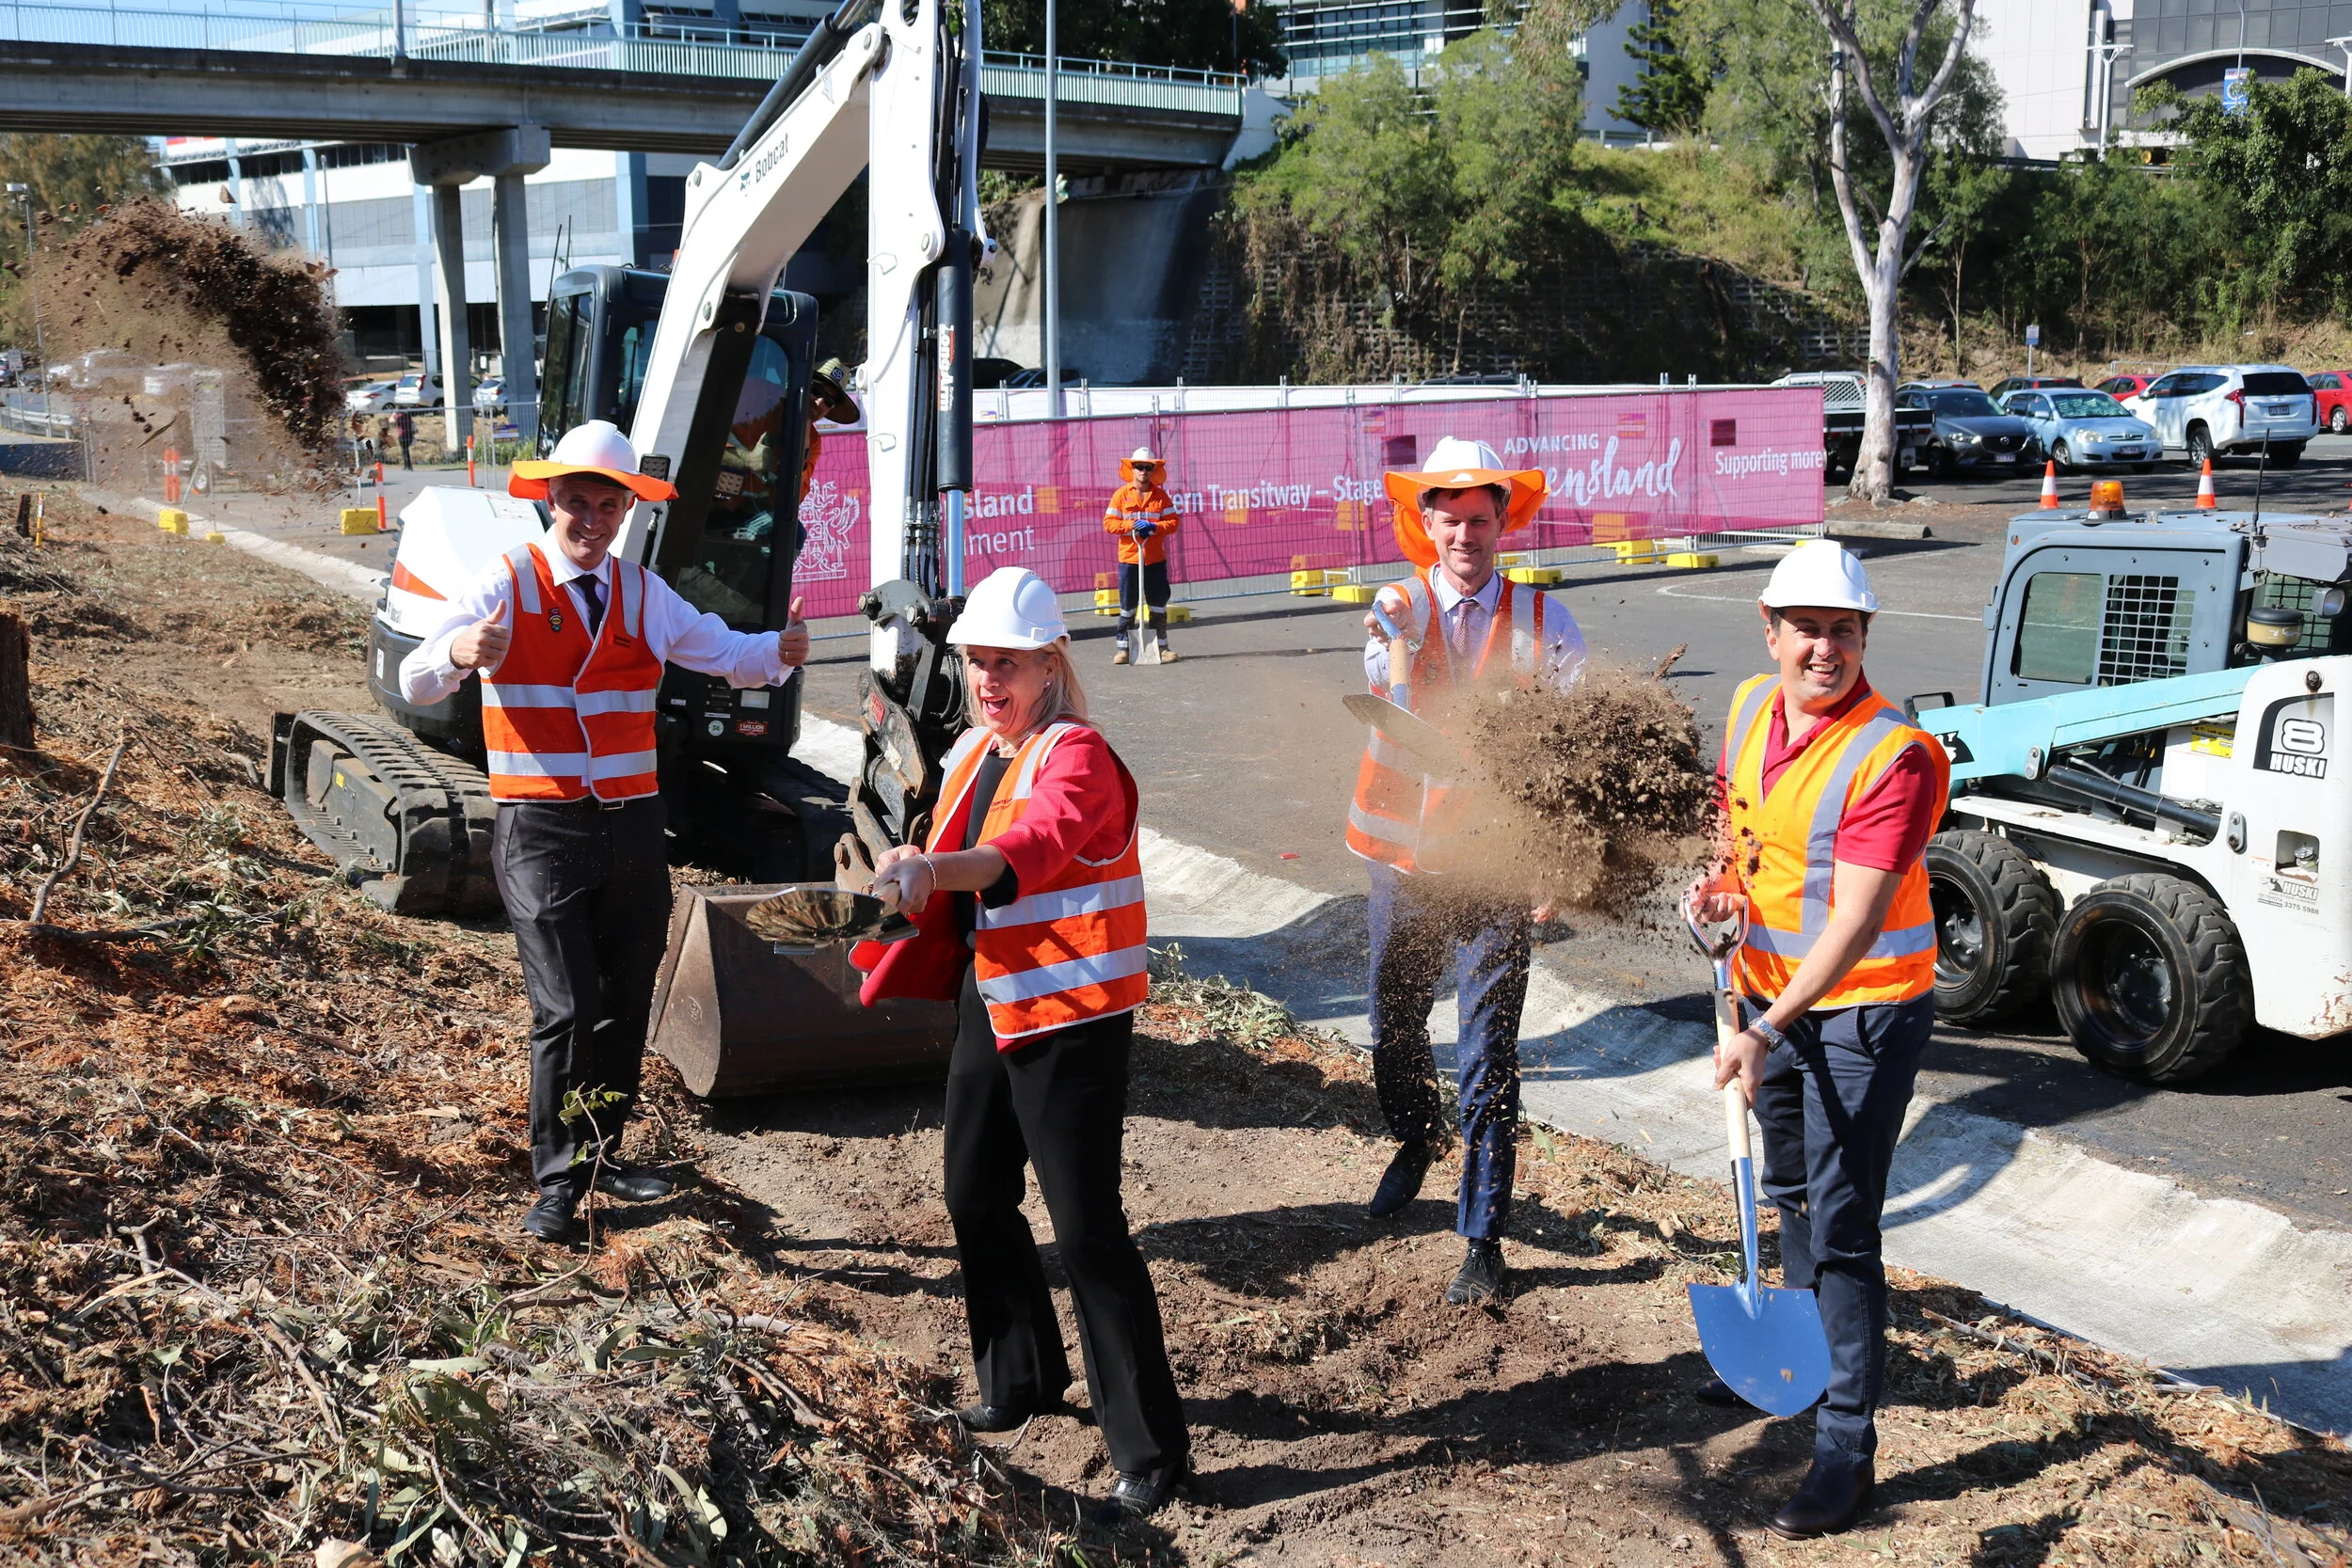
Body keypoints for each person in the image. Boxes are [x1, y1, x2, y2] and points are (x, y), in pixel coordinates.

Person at [398, 420, 812, 1243]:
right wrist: (457, 649)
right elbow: (416, 673)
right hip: (541, 827)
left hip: (632, 828)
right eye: (576, 503)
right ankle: (557, 1183)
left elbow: (724, 651)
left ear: (627, 509)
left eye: (607, 505)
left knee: (623, 1001)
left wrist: (781, 651)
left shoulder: (643, 592)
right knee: (567, 1005)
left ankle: (601, 1151)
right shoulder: (506, 580)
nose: (591, 519)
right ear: (550, 503)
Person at [853, 566, 1189, 1522]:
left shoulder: (1075, 755)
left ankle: (1151, 1448)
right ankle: (1022, 1376)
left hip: (1070, 1016)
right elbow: (954, 841)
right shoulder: (974, 749)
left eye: (1007, 663)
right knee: (971, 1190)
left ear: (1049, 664)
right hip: (993, 999)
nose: (989, 678)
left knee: (1087, 1227)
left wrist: (927, 867)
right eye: (977, 662)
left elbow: (1022, 853)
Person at [1685, 540, 1949, 1540]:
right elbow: (1735, 823)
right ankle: (1793, 1360)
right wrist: (1716, 887)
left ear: (1864, 636)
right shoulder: (1752, 703)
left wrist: (1765, 1028)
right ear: (1771, 628)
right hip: (1766, 998)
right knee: (1787, 1187)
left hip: (1863, 1014)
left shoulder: (1895, 754)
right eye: (1807, 629)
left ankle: (1845, 1448)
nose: (1824, 650)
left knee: (1840, 1225)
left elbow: (1852, 920)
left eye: (1844, 630)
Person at [1347, 436, 1586, 1306]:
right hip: (1405, 863)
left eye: (1481, 520)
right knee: (1393, 1027)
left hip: (1493, 865)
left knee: (1488, 1052)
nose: (1466, 535)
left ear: (1502, 523)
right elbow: (1393, 698)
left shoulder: (1545, 623)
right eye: (1449, 520)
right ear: (1426, 523)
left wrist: (1555, 856)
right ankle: (1414, 1136)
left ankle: (1482, 1237)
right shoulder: (1394, 606)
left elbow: (1575, 742)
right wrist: (1404, 646)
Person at [1103, 446, 1181, 665]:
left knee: (1157, 604)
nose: (1143, 471)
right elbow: (1109, 523)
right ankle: (1123, 649)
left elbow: (1173, 523)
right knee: (1128, 606)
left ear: (1152, 470)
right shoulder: (1120, 495)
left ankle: (1162, 647)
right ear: (1132, 468)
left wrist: (1153, 527)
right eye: (1139, 466)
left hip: (1155, 559)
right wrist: (1133, 527)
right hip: (1129, 559)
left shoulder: (1161, 496)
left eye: (1147, 467)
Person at [394, 407, 416, 471]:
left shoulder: (399, 416)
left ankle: (407, 466)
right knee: (406, 450)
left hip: (402, 435)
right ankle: (408, 465)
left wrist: (395, 413)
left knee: (404, 451)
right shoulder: (408, 415)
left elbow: (392, 421)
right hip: (409, 435)